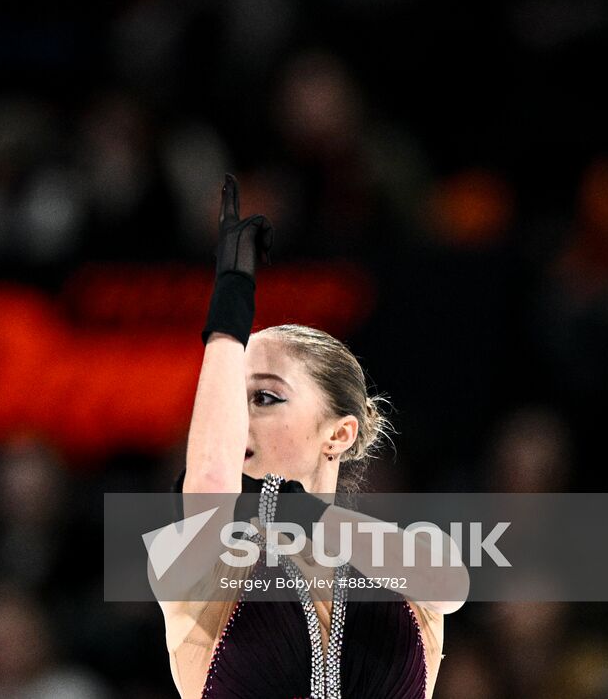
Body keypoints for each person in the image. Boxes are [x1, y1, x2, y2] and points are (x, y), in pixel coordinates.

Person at [158, 175, 468, 699]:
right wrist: (230, 304)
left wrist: (297, 513)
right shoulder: (183, 552)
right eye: (233, 400)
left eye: (266, 398)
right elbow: (211, 478)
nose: (239, 419)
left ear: (339, 433)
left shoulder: (413, 555)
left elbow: (449, 584)